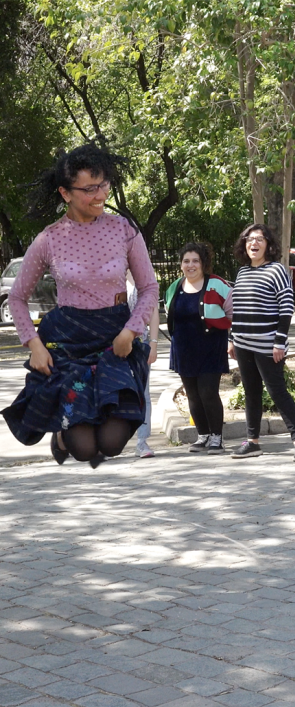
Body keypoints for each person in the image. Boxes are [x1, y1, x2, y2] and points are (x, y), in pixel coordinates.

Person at [1, 144, 158, 467]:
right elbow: (16, 297)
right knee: (85, 449)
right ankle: (59, 437)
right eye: (89, 189)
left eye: (104, 185)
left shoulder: (123, 230)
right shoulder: (49, 239)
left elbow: (149, 288)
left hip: (117, 340)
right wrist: (34, 346)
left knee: (112, 444)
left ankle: (84, 421)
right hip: (68, 343)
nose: (100, 195)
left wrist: (131, 332)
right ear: (65, 193)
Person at [227, 224, 295, 462]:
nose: (254, 243)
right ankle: (252, 442)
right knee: (251, 393)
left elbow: (286, 308)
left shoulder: (277, 271)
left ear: (268, 245)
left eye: (260, 239)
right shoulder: (242, 273)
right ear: (244, 244)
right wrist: (232, 339)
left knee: (278, 393)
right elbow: (238, 310)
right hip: (243, 343)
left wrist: (279, 342)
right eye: (250, 239)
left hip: (268, 346)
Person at [165, 243, 232, 454]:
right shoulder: (174, 287)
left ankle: (217, 437)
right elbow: (169, 312)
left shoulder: (218, 285)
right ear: (181, 264)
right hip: (184, 349)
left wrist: (232, 340)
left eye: (195, 261)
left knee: (208, 392)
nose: (190, 265)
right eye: (186, 261)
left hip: (211, 347)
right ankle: (202, 435)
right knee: (192, 394)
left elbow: (234, 313)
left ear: (204, 263)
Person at [127, 271, 160, 457]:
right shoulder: (110, 274)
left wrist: (153, 344)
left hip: (141, 344)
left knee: (143, 392)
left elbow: (154, 312)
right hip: (113, 345)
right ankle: (108, 440)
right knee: (111, 391)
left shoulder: (146, 277)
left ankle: (142, 441)